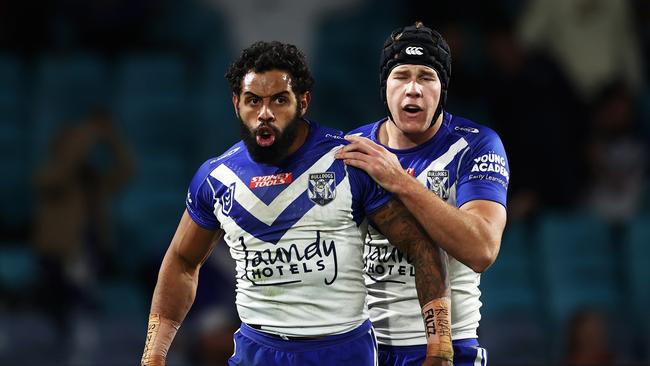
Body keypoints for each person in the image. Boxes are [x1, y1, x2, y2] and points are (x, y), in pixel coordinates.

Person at [140, 41, 453, 366]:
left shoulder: (349, 160)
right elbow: (181, 261)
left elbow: (421, 246)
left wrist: (440, 347)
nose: (264, 114)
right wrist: (153, 356)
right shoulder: (216, 177)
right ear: (236, 104)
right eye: (253, 101)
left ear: (303, 102)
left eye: (279, 100)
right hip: (256, 352)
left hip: (342, 352)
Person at [336, 22, 509, 365]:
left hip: (451, 346)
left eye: (426, 77)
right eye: (401, 76)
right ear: (384, 86)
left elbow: (482, 249)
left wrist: (399, 180)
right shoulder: (353, 149)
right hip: (364, 346)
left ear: (442, 88)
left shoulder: (476, 144)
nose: (413, 89)